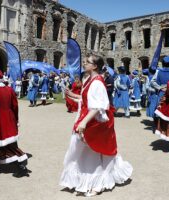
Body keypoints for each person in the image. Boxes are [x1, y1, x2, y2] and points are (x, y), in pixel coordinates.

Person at [60, 55, 132, 197]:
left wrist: (84, 122)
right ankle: (82, 180)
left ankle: (98, 183)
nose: (84, 63)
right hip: (88, 118)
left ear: (95, 66)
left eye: (87, 62)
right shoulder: (88, 79)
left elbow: (98, 106)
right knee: (80, 150)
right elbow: (87, 99)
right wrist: (72, 95)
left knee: (93, 150)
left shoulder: (97, 82)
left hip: (97, 122)